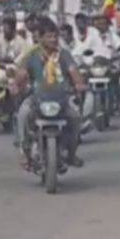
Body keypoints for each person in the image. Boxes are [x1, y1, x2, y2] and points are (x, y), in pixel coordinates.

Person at [14, 17, 87, 168]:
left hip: (61, 98)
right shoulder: (31, 55)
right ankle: (24, 151)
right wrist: (16, 85)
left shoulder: (64, 54)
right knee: (23, 113)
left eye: (55, 36)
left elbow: (73, 71)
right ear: (40, 38)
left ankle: (72, 153)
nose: (53, 40)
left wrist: (79, 84)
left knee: (75, 116)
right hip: (37, 97)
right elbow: (21, 73)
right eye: (49, 36)